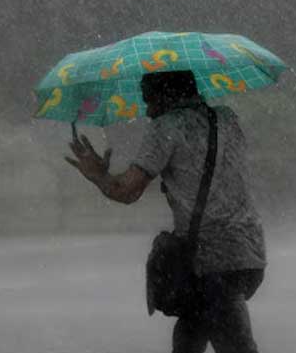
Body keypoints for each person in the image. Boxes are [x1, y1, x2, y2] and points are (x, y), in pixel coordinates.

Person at [65, 70, 267, 353]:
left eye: (149, 100)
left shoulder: (166, 127)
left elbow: (127, 191)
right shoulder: (226, 118)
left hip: (210, 260)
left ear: (167, 96)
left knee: (234, 345)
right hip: (249, 251)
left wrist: (99, 175)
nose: (147, 111)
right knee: (189, 334)